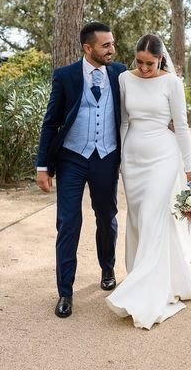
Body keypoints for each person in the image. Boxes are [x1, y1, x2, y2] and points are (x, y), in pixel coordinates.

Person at [106, 34, 191, 329]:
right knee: (136, 218)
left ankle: (147, 291)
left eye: (150, 63)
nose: (144, 69)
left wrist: (189, 167)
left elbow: (181, 126)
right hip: (133, 158)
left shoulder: (172, 83)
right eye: (139, 62)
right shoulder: (123, 79)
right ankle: (140, 275)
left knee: (153, 215)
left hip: (163, 157)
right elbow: (122, 121)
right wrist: (120, 158)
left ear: (161, 59)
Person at [35, 21, 127, 319]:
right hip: (72, 159)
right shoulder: (65, 76)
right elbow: (50, 122)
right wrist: (43, 166)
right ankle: (65, 292)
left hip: (107, 157)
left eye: (112, 44)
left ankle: (108, 267)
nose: (112, 49)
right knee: (68, 224)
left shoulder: (121, 73)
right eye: (106, 45)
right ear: (88, 48)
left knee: (107, 217)